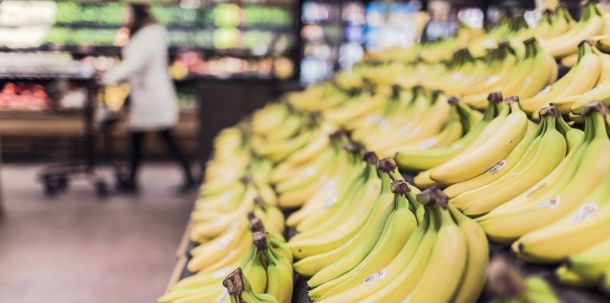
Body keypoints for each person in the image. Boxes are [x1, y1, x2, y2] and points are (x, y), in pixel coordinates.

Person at [103, 4, 195, 193]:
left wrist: (109, 77)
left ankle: (187, 175)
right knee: (140, 137)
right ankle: (133, 179)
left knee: (163, 136)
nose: (125, 17)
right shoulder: (150, 34)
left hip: (152, 95)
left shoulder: (147, 36)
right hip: (147, 93)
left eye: (127, 13)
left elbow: (135, 64)